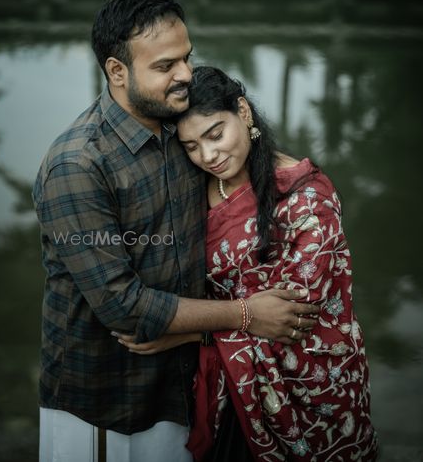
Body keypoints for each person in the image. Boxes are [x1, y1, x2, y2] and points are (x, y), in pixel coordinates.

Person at [33, 0, 320, 462]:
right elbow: (123, 307)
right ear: (117, 71)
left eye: (187, 57)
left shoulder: (181, 129)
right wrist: (245, 315)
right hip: (107, 406)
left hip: (187, 387)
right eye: (166, 66)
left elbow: (246, 163)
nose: (186, 74)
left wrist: (309, 188)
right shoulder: (78, 166)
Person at [118, 65, 379, 461]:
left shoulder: (307, 200)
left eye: (215, 134)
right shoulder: (196, 184)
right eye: (191, 146)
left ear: (242, 111)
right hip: (226, 383)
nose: (208, 155)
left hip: (305, 384)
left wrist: (186, 333)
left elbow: (288, 316)